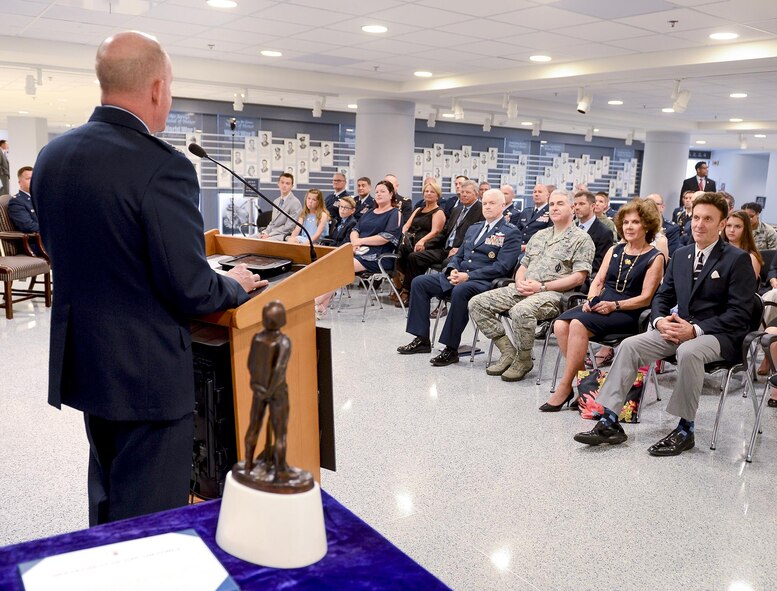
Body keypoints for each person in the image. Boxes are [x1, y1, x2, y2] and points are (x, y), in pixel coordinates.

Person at [31, 31, 266, 525]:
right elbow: (191, 287)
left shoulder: (54, 156)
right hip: (146, 374)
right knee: (150, 517)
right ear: (158, 88)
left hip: (88, 362)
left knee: (108, 491)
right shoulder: (163, 167)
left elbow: (54, 247)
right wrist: (236, 284)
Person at [574, 192, 755, 456]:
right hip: (677, 328)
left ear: (721, 224)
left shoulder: (737, 260)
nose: (699, 224)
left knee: (688, 351)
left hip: (719, 335)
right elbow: (663, 296)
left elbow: (740, 314)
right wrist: (659, 320)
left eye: (708, 219)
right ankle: (610, 420)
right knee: (630, 345)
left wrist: (695, 330)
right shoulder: (681, 255)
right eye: (696, 217)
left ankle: (685, 429)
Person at [544, 199, 665, 411]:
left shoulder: (655, 257)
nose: (628, 227)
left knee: (577, 325)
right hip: (602, 305)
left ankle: (565, 386)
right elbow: (598, 281)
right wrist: (592, 299)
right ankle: (585, 386)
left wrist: (614, 305)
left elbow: (646, 298)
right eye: (625, 222)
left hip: (629, 311)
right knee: (560, 325)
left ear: (646, 225)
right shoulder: (615, 249)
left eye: (635, 222)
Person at [468, 189, 595, 382]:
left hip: (554, 294)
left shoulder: (581, 239)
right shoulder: (540, 236)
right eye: (551, 204)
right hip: (524, 288)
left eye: (560, 204)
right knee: (477, 303)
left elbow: (579, 277)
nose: (554, 208)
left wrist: (542, 287)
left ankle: (524, 359)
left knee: (521, 311)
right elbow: (523, 265)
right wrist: (519, 281)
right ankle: (508, 351)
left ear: (572, 207)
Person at [397, 189, 521, 366]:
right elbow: (459, 256)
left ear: (503, 206)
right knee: (419, 282)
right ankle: (422, 339)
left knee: (461, 291)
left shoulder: (510, 232)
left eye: (492, 203)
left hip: (484, 283)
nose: (487, 206)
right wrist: (453, 270)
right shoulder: (474, 228)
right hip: (459, 276)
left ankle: (450, 348)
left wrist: (468, 276)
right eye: (485, 203)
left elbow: (502, 267)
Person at [315, 180, 401, 317]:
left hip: (378, 256)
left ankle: (317, 300)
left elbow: (386, 237)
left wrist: (360, 241)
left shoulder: (394, 213)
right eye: (377, 191)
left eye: (383, 191)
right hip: (358, 251)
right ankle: (322, 305)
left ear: (391, 194)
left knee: (341, 266)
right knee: (330, 263)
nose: (378, 194)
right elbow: (355, 229)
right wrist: (355, 242)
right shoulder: (370, 212)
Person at [402, 180, 484, 288]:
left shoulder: (481, 210)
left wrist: (460, 249)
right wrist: (426, 244)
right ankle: (409, 290)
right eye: (462, 192)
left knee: (448, 263)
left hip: (460, 252)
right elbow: (444, 233)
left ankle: (443, 295)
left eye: (467, 192)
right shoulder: (457, 210)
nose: (463, 195)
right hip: (444, 249)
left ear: (476, 194)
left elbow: (477, 236)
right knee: (415, 256)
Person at [394, 180, 446, 306]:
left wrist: (422, 241)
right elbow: (406, 226)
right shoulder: (418, 210)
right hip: (412, 241)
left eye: (432, 192)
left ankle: (407, 290)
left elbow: (435, 232)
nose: (428, 194)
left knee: (413, 256)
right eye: (426, 191)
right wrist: (403, 235)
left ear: (437, 195)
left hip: (429, 244)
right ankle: (399, 284)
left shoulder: (438, 212)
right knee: (398, 250)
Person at [573, 190, 614, 277]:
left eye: (581, 204)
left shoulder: (604, 232)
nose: (577, 207)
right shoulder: (572, 228)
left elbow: (600, 264)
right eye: (575, 204)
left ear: (592, 206)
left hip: (586, 277)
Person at [259, 172, 302, 241]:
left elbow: (288, 227)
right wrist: (265, 232)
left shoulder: (295, 203)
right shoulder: (276, 201)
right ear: (278, 184)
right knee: (250, 239)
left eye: (287, 183)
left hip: (284, 235)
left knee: (263, 241)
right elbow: (273, 222)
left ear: (292, 186)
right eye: (282, 182)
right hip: (271, 233)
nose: (284, 185)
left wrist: (269, 235)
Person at [722, 210, 763, 277]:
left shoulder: (751, 258)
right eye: (728, 225)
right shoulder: (716, 250)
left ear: (746, 229)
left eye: (737, 226)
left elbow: (748, 286)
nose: (732, 230)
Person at [514, 184, 553, 251]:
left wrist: (527, 246)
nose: (536, 194)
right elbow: (517, 231)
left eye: (540, 192)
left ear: (547, 195)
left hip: (537, 250)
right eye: (534, 192)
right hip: (519, 247)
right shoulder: (526, 211)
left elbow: (549, 235)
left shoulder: (551, 212)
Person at [8, 166, 38, 233]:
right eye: (29, 178)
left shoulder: (38, 198)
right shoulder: (16, 202)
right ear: (20, 183)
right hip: (36, 241)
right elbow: (27, 226)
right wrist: (50, 230)